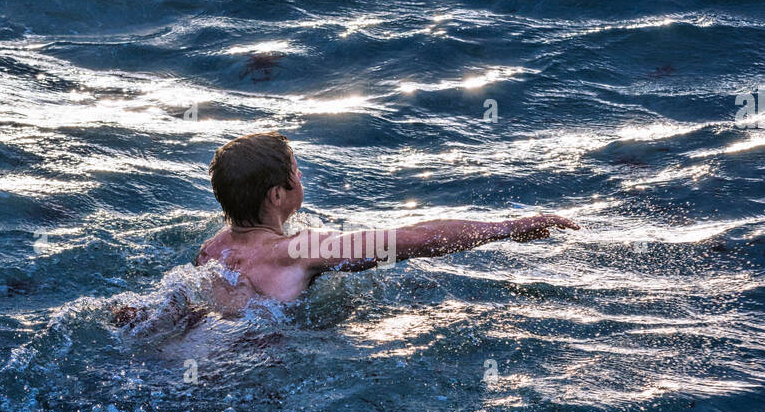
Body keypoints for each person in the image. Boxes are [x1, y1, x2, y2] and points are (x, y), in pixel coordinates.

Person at [181, 130, 580, 315]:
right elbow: (413, 239)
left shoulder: (213, 250)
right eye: (297, 172)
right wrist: (508, 229)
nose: (301, 178)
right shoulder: (297, 251)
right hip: (245, 372)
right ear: (276, 195)